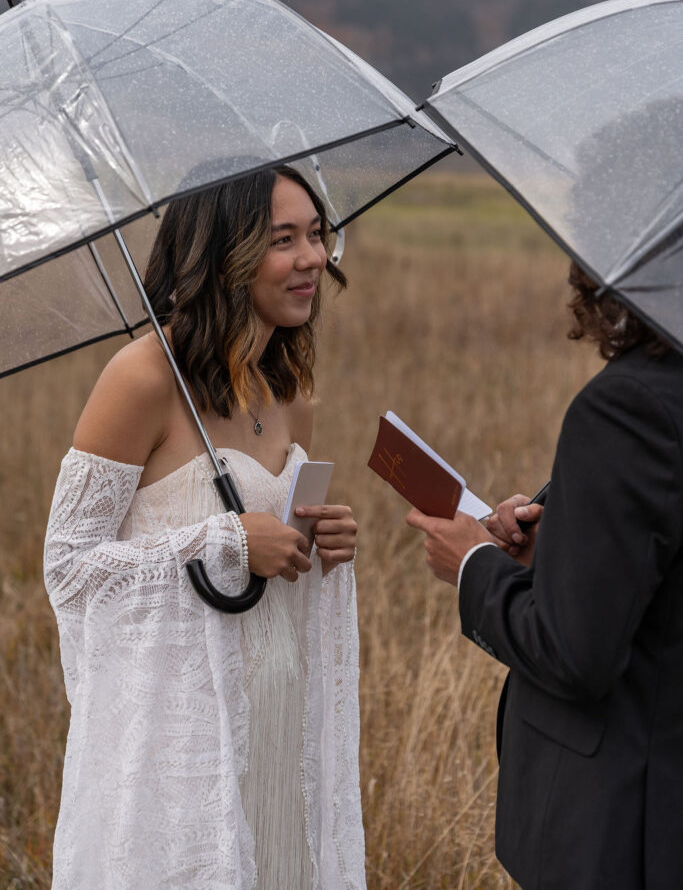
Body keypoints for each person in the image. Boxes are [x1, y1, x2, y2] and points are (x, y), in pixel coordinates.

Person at [44, 165, 366, 890]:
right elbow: (67, 566)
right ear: (224, 255)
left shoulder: (290, 394)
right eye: (283, 240)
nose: (312, 257)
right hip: (182, 745)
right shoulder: (142, 379)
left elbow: (272, 555)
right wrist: (220, 543)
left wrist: (317, 546)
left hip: (277, 730)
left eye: (316, 235)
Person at [406, 260, 683, 890]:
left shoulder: (630, 405)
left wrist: (474, 566)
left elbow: (576, 654)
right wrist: (561, 547)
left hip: (624, 830)